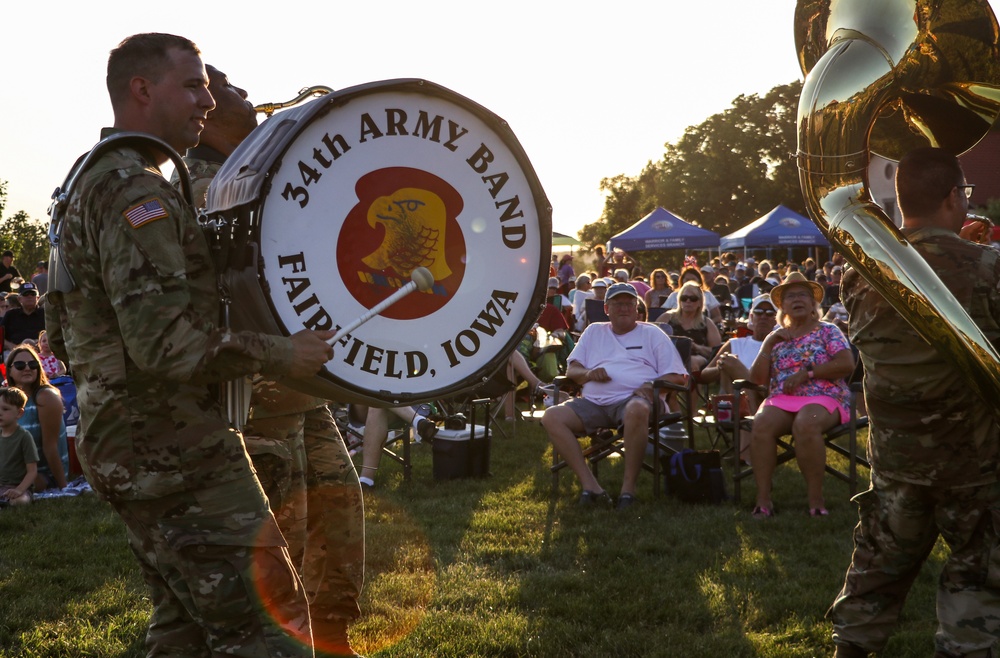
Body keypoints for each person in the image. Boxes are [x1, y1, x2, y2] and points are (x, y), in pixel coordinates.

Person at [45, 34, 335, 656]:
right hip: (174, 451)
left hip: (131, 444)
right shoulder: (133, 191)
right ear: (141, 90)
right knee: (270, 631)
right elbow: (165, 346)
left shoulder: (91, 180)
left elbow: (67, 335)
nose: (208, 99)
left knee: (183, 634)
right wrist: (287, 354)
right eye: (193, 85)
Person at [181, 63, 365, 657]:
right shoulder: (200, 181)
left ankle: (332, 630)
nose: (246, 94)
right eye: (229, 87)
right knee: (280, 525)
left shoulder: (259, 173)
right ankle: (280, 638)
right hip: (254, 391)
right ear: (209, 110)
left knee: (338, 501)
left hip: (299, 382)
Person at [829, 147, 1000, 658]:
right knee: (979, 582)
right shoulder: (989, 269)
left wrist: (954, 248)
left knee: (874, 580)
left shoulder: (861, 275)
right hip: (976, 468)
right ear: (955, 196)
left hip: (897, 464)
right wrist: (973, 254)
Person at [541, 282, 688, 510]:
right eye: (617, 304)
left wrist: (651, 384)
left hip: (637, 402)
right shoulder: (593, 332)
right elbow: (572, 371)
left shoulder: (652, 334)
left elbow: (679, 377)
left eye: (629, 304)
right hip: (594, 404)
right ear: (606, 309)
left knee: (636, 409)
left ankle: (627, 491)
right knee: (551, 416)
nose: (624, 308)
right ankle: (592, 487)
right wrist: (589, 373)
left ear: (637, 309)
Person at [747, 271, 855, 519]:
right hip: (783, 399)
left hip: (825, 395)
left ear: (813, 303)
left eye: (803, 295)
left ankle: (815, 500)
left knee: (806, 422)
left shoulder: (828, 331)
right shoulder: (777, 337)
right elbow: (757, 380)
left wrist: (807, 373)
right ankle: (763, 499)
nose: (797, 300)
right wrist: (767, 343)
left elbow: (846, 363)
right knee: (761, 423)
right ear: (782, 306)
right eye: (791, 296)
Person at [699, 294, 777, 463]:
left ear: (776, 319)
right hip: (736, 400)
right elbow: (704, 375)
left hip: (768, 398)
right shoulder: (736, 343)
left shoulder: (779, 345)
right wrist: (721, 365)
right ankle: (745, 452)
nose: (763, 316)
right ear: (751, 317)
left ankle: (744, 452)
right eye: (759, 311)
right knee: (729, 362)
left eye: (770, 313)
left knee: (735, 369)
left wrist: (736, 368)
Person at [5, 345, 68, 492]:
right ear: (9, 371)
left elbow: (50, 447)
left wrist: (63, 488)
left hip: (42, 476)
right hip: (15, 470)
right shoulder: (8, 401)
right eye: (20, 365)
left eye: (32, 364)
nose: (27, 368)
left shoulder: (46, 397)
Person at [656, 281, 722, 374]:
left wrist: (696, 347)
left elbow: (717, 351)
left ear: (700, 302)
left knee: (691, 361)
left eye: (693, 298)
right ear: (679, 300)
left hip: (696, 357)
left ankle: (688, 387)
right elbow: (651, 340)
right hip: (669, 355)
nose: (688, 301)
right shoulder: (667, 318)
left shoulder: (706, 323)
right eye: (684, 298)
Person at [0, 386, 37, 507]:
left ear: (19, 413)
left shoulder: (24, 437)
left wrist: (19, 490)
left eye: (5, 409)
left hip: (19, 487)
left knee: (20, 501)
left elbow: (32, 472)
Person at [2, 282, 45, 351]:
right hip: (13, 352)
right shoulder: (11, 315)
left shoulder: (45, 314)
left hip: (41, 352)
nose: (29, 296)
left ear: (38, 298)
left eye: (33, 294)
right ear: (19, 299)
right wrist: (12, 347)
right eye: (26, 294)